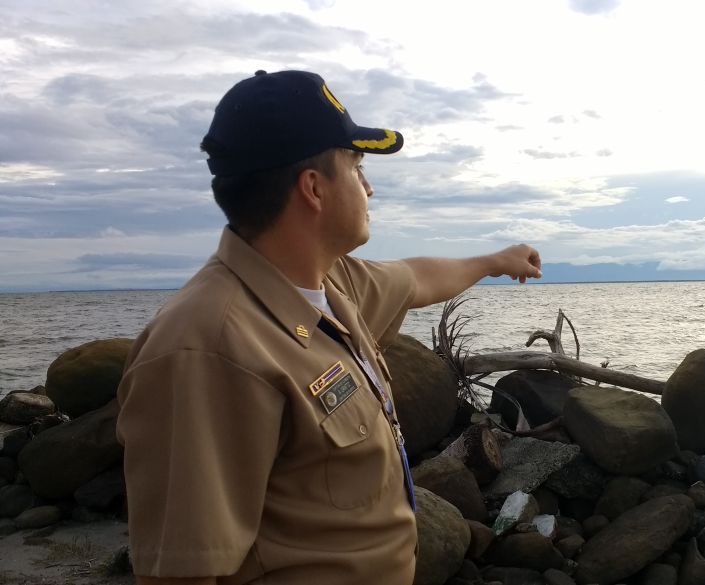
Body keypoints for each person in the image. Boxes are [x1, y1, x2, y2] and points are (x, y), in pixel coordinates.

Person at [116, 69, 542, 585]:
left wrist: (495, 260)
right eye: (358, 166)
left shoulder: (330, 283)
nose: (369, 187)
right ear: (314, 188)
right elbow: (180, 575)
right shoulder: (206, 347)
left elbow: (416, 278)